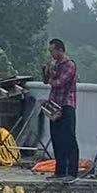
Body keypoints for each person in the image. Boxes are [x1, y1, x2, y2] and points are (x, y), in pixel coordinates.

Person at [42, 37, 80, 177]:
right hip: (54, 105)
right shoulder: (55, 64)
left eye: (52, 51)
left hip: (66, 105)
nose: (51, 54)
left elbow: (59, 82)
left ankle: (71, 172)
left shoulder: (69, 65)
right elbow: (47, 81)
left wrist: (51, 78)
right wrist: (47, 72)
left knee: (68, 139)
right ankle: (59, 171)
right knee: (56, 138)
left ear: (60, 50)